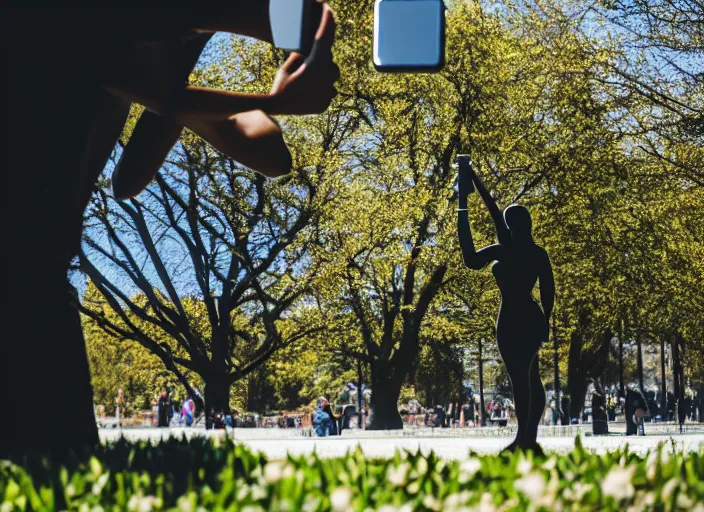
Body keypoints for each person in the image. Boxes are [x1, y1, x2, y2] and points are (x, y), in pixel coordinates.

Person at [3, 4, 340, 458]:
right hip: (26, 281)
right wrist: (274, 96)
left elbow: (136, 174)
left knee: (56, 468)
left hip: (37, 283)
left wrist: (187, 100)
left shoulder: (154, 52)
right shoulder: (84, 25)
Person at [457, 157, 555, 454]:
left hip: (512, 320)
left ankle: (524, 439)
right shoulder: (537, 253)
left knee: (521, 380)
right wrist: (545, 321)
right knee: (530, 379)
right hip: (531, 316)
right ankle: (528, 436)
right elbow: (548, 291)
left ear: (513, 227)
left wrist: (462, 207)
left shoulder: (505, 251)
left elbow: (471, 258)